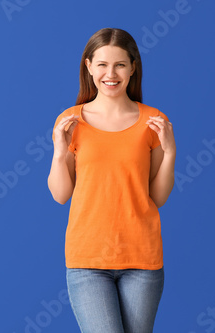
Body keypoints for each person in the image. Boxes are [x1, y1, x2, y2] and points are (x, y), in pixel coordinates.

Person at [47, 28, 176, 333]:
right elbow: (60, 194)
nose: (111, 73)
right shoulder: (71, 121)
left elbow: (157, 197)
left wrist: (169, 152)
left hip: (142, 260)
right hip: (87, 260)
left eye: (120, 64)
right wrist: (58, 151)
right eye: (102, 64)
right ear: (88, 66)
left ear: (133, 67)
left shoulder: (153, 121)